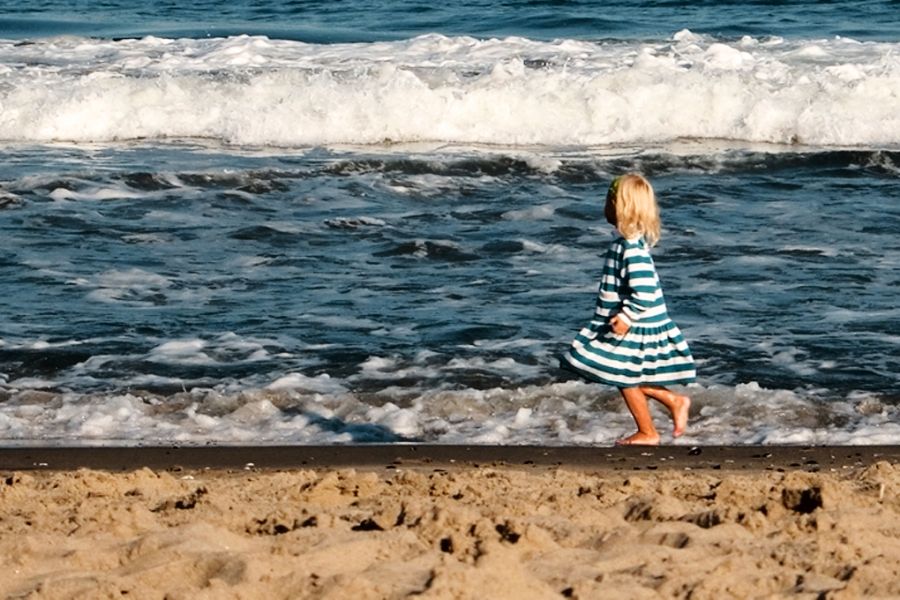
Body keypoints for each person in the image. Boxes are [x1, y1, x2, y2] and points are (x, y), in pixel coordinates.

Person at [563, 173, 696, 445]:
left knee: (623, 376)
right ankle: (672, 401)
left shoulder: (630, 248)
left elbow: (645, 291)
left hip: (635, 323)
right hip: (628, 321)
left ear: (618, 207)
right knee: (622, 373)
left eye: (608, 201)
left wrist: (626, 317)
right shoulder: (625, 243)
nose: (604, 206)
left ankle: (649, 430)